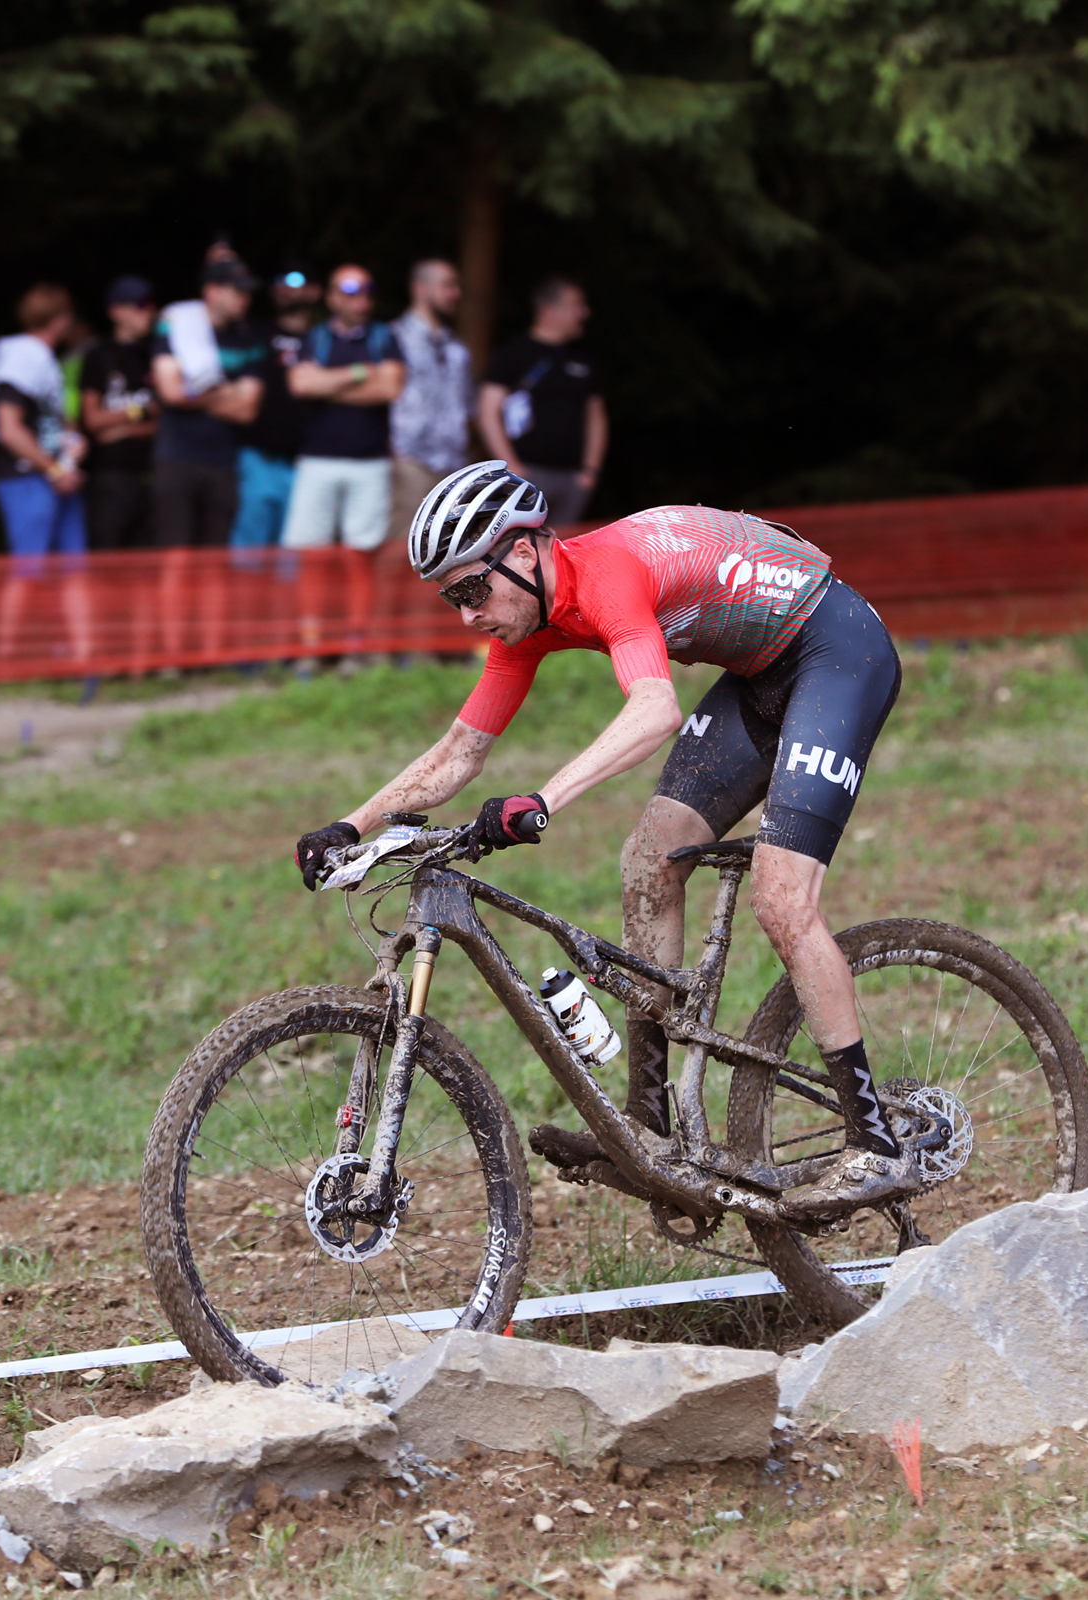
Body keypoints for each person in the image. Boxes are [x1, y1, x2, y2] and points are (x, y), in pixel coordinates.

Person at [292, 463, 913, 1216]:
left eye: (472, 590)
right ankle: (649, 1131)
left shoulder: (606, 574)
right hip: (759, 674)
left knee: (781, 898)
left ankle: (876, 1142)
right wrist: (352, 824)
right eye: (452, 598)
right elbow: (461, 752)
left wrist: (543, 800)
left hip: (836, 651)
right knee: (649, 860)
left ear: (524, 553)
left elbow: (655, 709)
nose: (468, 615)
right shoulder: (528, 619)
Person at [283, 264, 405, 672]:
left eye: (367, 291)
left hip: (369, 463)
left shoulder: (384, 337)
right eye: (351, 292)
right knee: (313, 557)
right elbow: (300, 385)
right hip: (317, 460)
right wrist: (359, 373)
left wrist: (328, 385)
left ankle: (355, 647)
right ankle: (311, 647)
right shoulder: (316, 337)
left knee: (359, 557)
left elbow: (390, 386)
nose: (361, 300)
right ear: (332, 296)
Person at [151, 256, 266, 659]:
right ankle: (172, 655)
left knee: (216, 561)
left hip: (222, 462)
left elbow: (248, 410)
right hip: (176, 459)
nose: (245, 300)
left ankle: (211, 654)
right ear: (212, 292)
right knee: (177, 560)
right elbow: (170, 392)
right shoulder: (176, 326)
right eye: (238, 292)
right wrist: (226, 393)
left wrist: (198, 391)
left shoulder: (248, 338)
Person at [0, 283, 92, 665]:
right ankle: (5, 659)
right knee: (27, 569)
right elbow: (8, 428)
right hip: (26, 479)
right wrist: (55, 467)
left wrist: (70, 445)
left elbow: (49, 421)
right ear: (60, 321)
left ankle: (82, 655)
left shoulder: (45, 360)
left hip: (57, 478)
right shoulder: (20, 356)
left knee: (73, 569)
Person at [389, 259, 475, 659]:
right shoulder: (393, 338)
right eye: (447, 285)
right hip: (410, 461)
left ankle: (429, 649)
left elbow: (466, 407)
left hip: (450, 468)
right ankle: (385, 647)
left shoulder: (457, 349)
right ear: (420, 289)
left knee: (445, 557)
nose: (454, 293)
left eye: (456, 285)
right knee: (398, 557)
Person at [80, 275, 163, 673]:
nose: (148, 313)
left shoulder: (155, 354)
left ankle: (140, 660)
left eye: (150, 305)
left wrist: (124, 424)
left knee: (146, 572)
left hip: (150, 476)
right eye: (139, 306)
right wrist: (138, 413)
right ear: (117, 311)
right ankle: (105, 655)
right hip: (109, 480)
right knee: (106, 570)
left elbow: (163, 420)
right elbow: (93, 421)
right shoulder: (98, 356)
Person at [479, 277, 605, 527]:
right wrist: (513, 469)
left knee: (564, 544)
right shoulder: (513, 354)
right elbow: (487, 411)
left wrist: (590, 472)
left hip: (573, 479)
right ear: (550, 310)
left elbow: (596, 417)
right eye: (577, 305)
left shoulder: (581, 361)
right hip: (527, 475)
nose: (584, 313)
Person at [232, 263, 320, 570]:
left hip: (307, 465)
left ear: (314, 291)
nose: (285, 288)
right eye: (279, 282)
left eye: (295, 281)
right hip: (258, 458)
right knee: (248, 559)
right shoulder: (253, 332)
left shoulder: (323, 339)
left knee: (293, 564)